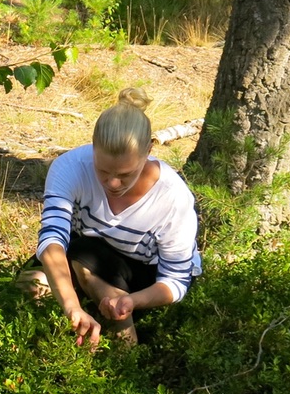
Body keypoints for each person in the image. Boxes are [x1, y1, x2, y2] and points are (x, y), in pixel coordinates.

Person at [20, 88, 200, 346]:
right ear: (93, 147)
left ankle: (122, 336)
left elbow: (176, 281)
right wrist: (72, 308)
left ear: (149, 150)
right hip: (88, 251)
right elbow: (52, 241)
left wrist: (132, 302)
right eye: (103, 170)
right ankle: (69, 336)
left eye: (126, 174)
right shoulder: (70, 167)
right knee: (32, 284)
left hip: (144, 273)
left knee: (83, 257)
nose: (113, 183)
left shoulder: (173, 198)